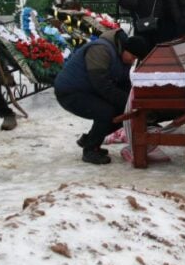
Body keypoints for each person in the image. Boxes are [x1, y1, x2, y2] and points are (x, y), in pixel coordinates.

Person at [53, 30, 152, 164]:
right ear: (125, 49)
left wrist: (132, 101)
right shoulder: (100, 50)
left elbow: (124, 84)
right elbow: (101, 85)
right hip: (70, 91)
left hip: (88, 90)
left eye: (135, 59)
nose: (132, 60)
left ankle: (90, 140)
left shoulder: (123, 57)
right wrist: (126, 102)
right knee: (105, 112)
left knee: (124, 113)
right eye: (133, 56)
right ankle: (90, 150)